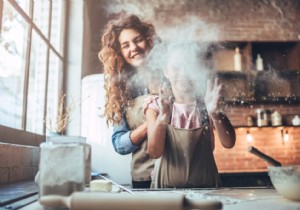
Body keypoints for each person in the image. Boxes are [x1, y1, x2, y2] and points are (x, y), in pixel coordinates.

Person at [144, 43, 236, 188]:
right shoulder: (156, 106)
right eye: (176, 67)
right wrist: (163, 118)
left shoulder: (209, 102)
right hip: (166, 195)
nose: (183, 73)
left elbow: (229, 142)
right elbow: (154, 152)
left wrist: (215, 113)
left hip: (207, 192)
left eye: (189, 66)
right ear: (166, 71)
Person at [98, 14, 159, 188]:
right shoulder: (121, 90)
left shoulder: (171, 75)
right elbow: (119, 144)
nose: (134, 48)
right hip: (145, 180)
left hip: (178, 174)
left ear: (148, 41)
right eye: (126, 45)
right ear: (120, 53)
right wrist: (150, 123)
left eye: (138, 40)